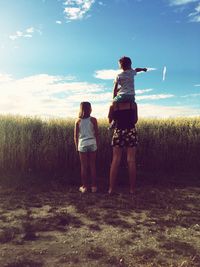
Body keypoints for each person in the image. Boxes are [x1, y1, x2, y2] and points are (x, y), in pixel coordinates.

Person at [108, 101, 138, 194]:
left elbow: (110, 121)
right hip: (131, 131)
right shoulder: (132, 104)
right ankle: (132, 189)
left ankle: (111, 189)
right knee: (131, 160)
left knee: (115, 159)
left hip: (118, 131)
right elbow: (135, 120)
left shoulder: (113, 105)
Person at [109, 56, 147, 129]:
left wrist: (114, 100)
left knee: (113, 104)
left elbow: (114, 89)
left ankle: (113, 121)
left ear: (120, 66)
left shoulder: (118, 76)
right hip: (131, 96)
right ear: (130, 64)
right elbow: (137, 69)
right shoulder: (132, 72)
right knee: (133, 105)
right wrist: (143, 69)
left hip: (122, 96)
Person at [74, 102, 98, 193]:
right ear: (90, 109)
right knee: (92, 165)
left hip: (82, 144)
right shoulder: (93, 120)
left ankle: (84, 187)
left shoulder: (78, 121)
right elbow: (97, 134)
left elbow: (75, 136)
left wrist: (77, 147)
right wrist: (97, 144)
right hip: (92, 143)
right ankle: (94, 187)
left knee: (84, 166)